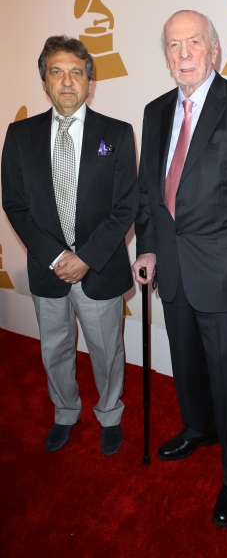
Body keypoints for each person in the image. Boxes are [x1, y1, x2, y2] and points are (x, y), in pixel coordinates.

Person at [133, 10, 227, 526]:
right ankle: (199, 428)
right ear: (166, 54)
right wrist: (147, 248)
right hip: (172, 267)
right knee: (187, 364)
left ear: (214, 50)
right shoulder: (153, 111)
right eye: (174, 44)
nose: (185, 53)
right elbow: (151, 191)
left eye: (195, 42)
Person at [2, 36, 137, 456]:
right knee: (54, 349)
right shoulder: (20, 134)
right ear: (44, 81)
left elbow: (125, 205)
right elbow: (16, 204)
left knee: (107, 350)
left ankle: (110, 413)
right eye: (56, 71)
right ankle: (65, 411)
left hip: (99, 270)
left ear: (89, 82)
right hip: (48, 268)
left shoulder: (116, 133)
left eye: (76, 72)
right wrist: (60, 257)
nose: (67, 81)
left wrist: (86, 259)